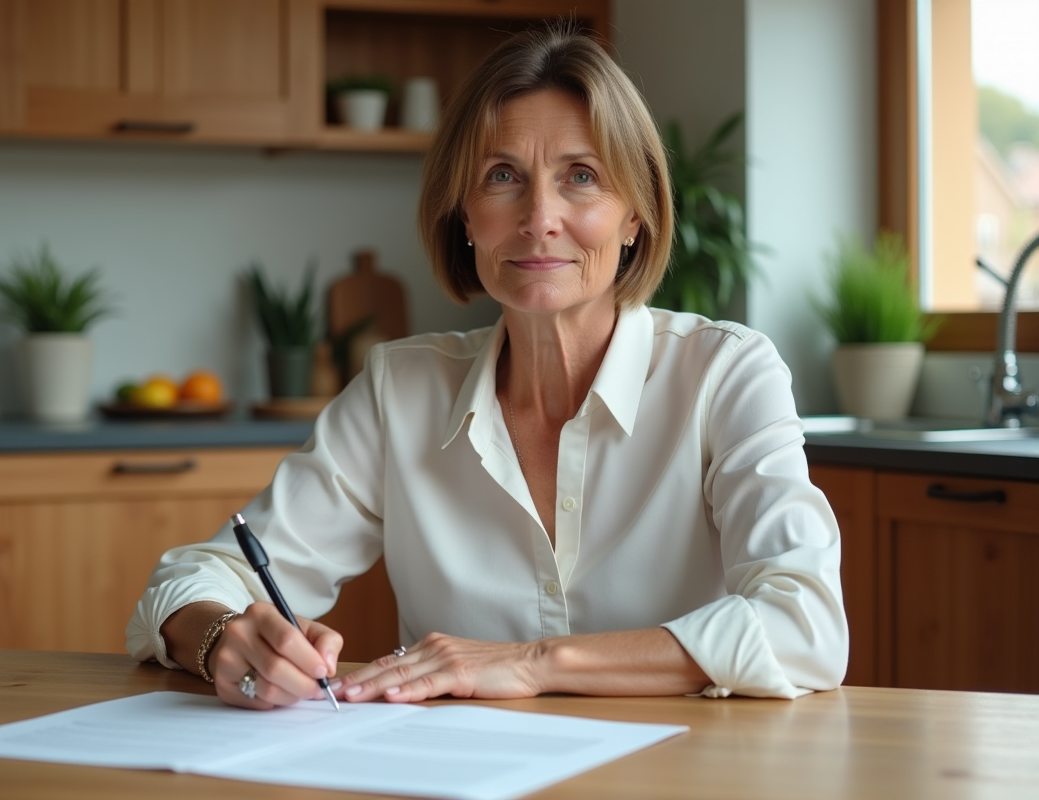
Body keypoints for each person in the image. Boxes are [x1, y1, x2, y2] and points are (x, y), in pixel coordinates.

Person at [126, 26, 848, 708]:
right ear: (466, 216)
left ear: (636, 215)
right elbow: (192, 579)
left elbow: (805, 625)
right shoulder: (398, 391)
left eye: (582, 177)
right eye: (503, 175)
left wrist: (531, 662)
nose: (540, 217)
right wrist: (225, 637)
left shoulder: (726, 374)